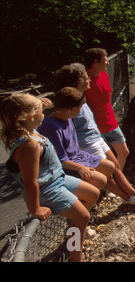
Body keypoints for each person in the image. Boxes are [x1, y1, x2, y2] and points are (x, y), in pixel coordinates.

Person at [0, 93, 99, 262]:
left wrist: (38, 103)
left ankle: (73, 231)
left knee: (92, 192)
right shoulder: (28, 146)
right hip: (48, 189)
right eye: (41, 111)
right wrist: (36, 209)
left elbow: (23, 109)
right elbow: (30, 183)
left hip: (57, 179)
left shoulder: (31, 130)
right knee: (83, 216)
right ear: (31, 116)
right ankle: (76, 256)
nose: (44, 113)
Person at [54, 63, 135, 204]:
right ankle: (129, 197)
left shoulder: (79, 96)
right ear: (77, 82)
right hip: (87, 143)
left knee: (115, 166)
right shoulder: (70, 101)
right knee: (106, 174)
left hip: (96, 137)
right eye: (85, 78)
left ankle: (133, 194)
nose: (89, 80)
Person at [37, 87, 113, 191]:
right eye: (80, 107)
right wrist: (81, 168)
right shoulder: (51, 127)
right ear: (73, 109)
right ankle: (85, 195)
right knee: (100, 179)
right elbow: (60, 160)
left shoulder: (66, 118)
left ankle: (89, 191)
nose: (80, 111)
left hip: (78, 156)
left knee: (109, 166)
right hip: (66, 165)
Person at [84, 48, 129, 171]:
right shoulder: (83, 81)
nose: (108, 62)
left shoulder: (104, 74)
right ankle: (109, 185)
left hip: (111, 122)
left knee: (123, 152)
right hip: (96, 127)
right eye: (105, 60)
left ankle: (118, 179)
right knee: (104, 162)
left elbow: (106, 100)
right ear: (95, 62)